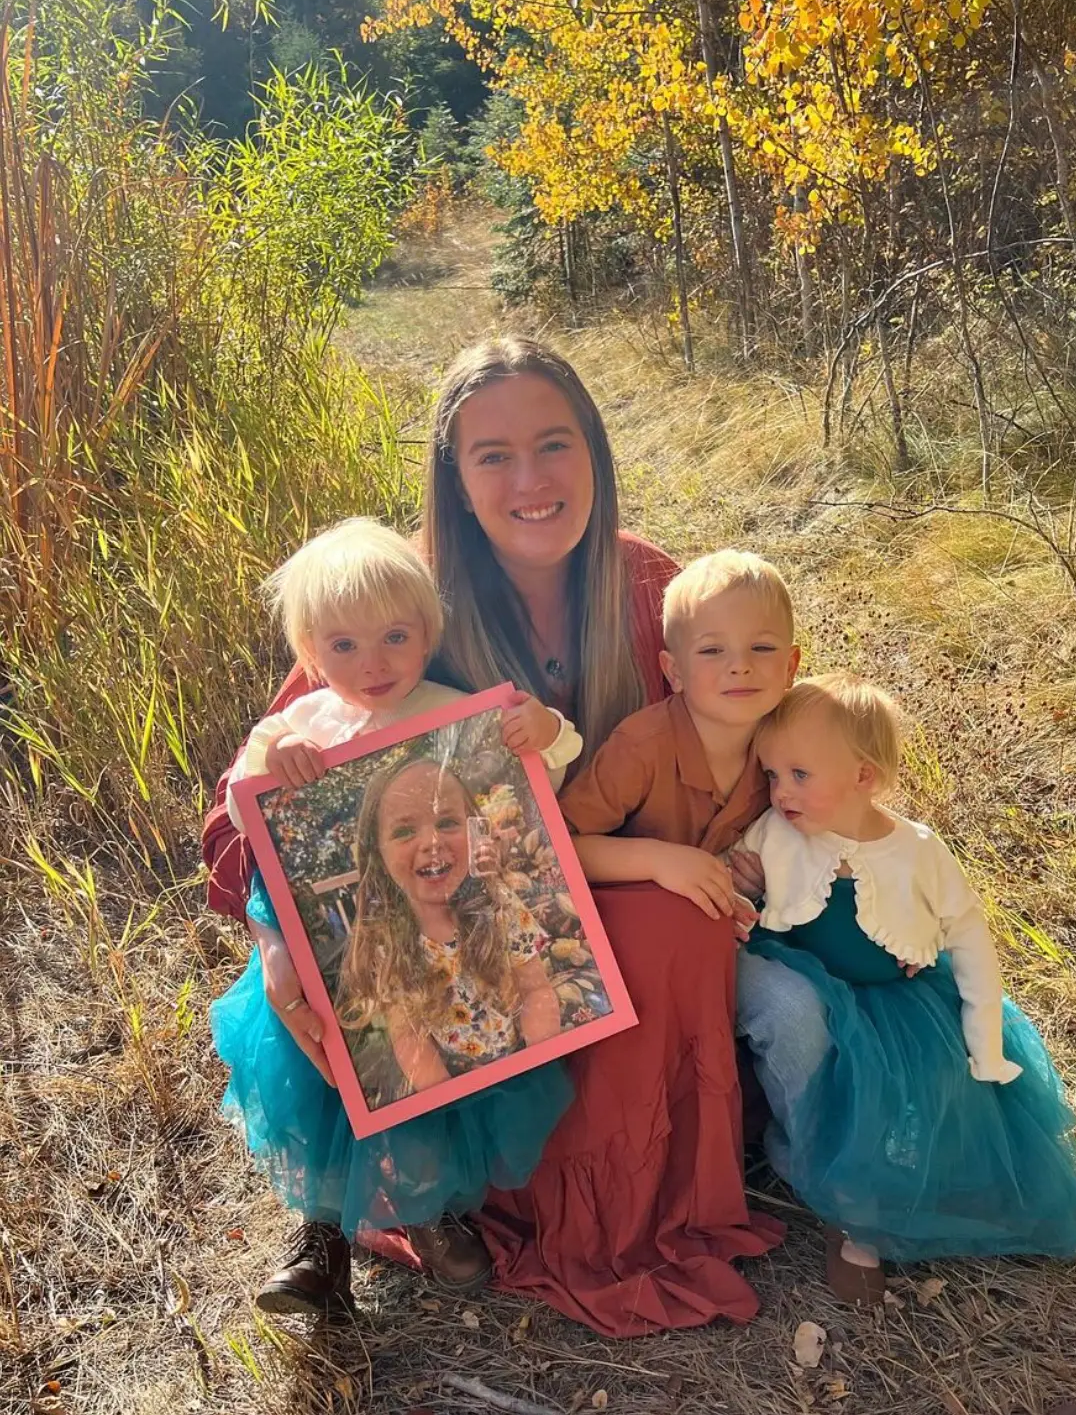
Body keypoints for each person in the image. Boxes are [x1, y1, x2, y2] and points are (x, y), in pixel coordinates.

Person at [202, 337, 783, 1337]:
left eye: (555, 443)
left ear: (596, 452)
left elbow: (764, 722)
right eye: (491, 455)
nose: (530, 480)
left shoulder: (650, 584)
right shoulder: (397, 603)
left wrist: (755, 841)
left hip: (606, 883)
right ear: (453, 478)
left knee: (675, 930)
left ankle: (639, 1193)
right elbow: (260, 798)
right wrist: (271, 936)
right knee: (351, 971)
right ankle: (401, 1207)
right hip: (445, 903)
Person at [210, 517, 579, 1312]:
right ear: (310, 650)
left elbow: (554, 755)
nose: (372, 665)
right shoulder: (297, 725)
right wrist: (272, 764)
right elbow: (247, 813)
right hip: (326, 946)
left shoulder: (454, 711)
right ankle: (321, 1245)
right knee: (329, 1079)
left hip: (429, 936)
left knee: (426, 1070)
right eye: (342, 646)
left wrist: (539, 727)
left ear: (428, 633)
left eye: (394, 637)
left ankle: (435, 1213)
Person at [736, 672, 1076, 1305]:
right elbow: (740, 874)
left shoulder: (918, 851)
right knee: (844, 1087)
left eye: (798, 775)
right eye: (770, 774)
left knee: (920, 1094)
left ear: (863, 777)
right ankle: (851, 1219)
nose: (779, 792)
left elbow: (969, 937)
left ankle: (913, 1197)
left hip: (902, 1002)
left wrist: (985, 1040)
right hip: (817, 984)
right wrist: (736, 873)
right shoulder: (776, 831)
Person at [561, 550, 798, 928]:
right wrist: (658, 860)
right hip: (639, 927)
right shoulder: (642, 746)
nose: (740, 665)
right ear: (674, 671)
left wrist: (765, 872)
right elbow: (558, 849)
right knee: (788, 993)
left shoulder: (791, 739)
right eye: (712, 651)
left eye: (762, 647)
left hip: (743, 924)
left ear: (790, 666)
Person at [343, 757, 560, 1098]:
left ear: (474, 830)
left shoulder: (498, 906)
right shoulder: (388, 940)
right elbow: (408, 1036)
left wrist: (541, 1061)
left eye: (447, 822)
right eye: (404, 831)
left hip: (523, 1062)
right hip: (454, 1086)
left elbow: (536, 990)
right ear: (377, 855)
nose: (432, 842)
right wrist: (451, 1101)